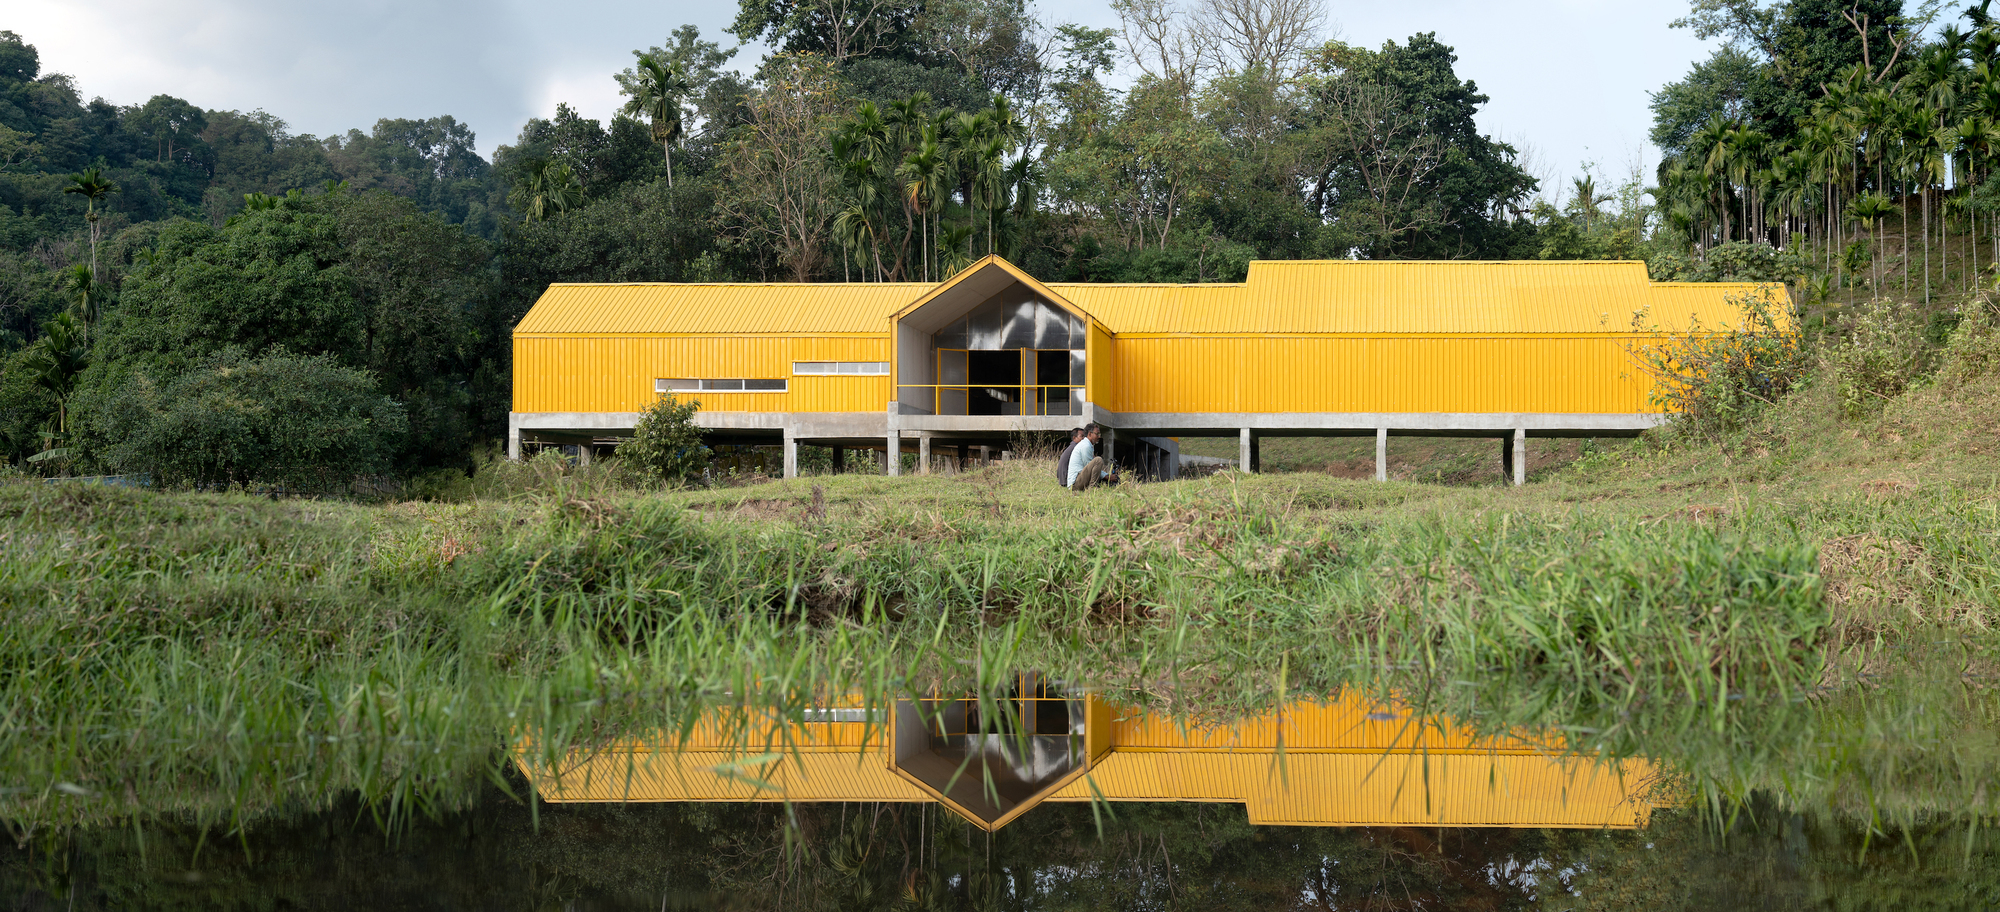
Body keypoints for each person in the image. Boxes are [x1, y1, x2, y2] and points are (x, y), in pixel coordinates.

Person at [1066, 423, 1118, 492]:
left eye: (1099, 434)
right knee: (1098, 460)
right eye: (1097, 434)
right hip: (1075, 484)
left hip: (1079, 478)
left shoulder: (1088, 445)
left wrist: (1107, 475)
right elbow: (1089, 466)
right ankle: (1092, 489)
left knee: (1101, 466)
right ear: (1090, 434)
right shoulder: (1085, 446)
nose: (1099, 436)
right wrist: (1107, 477)